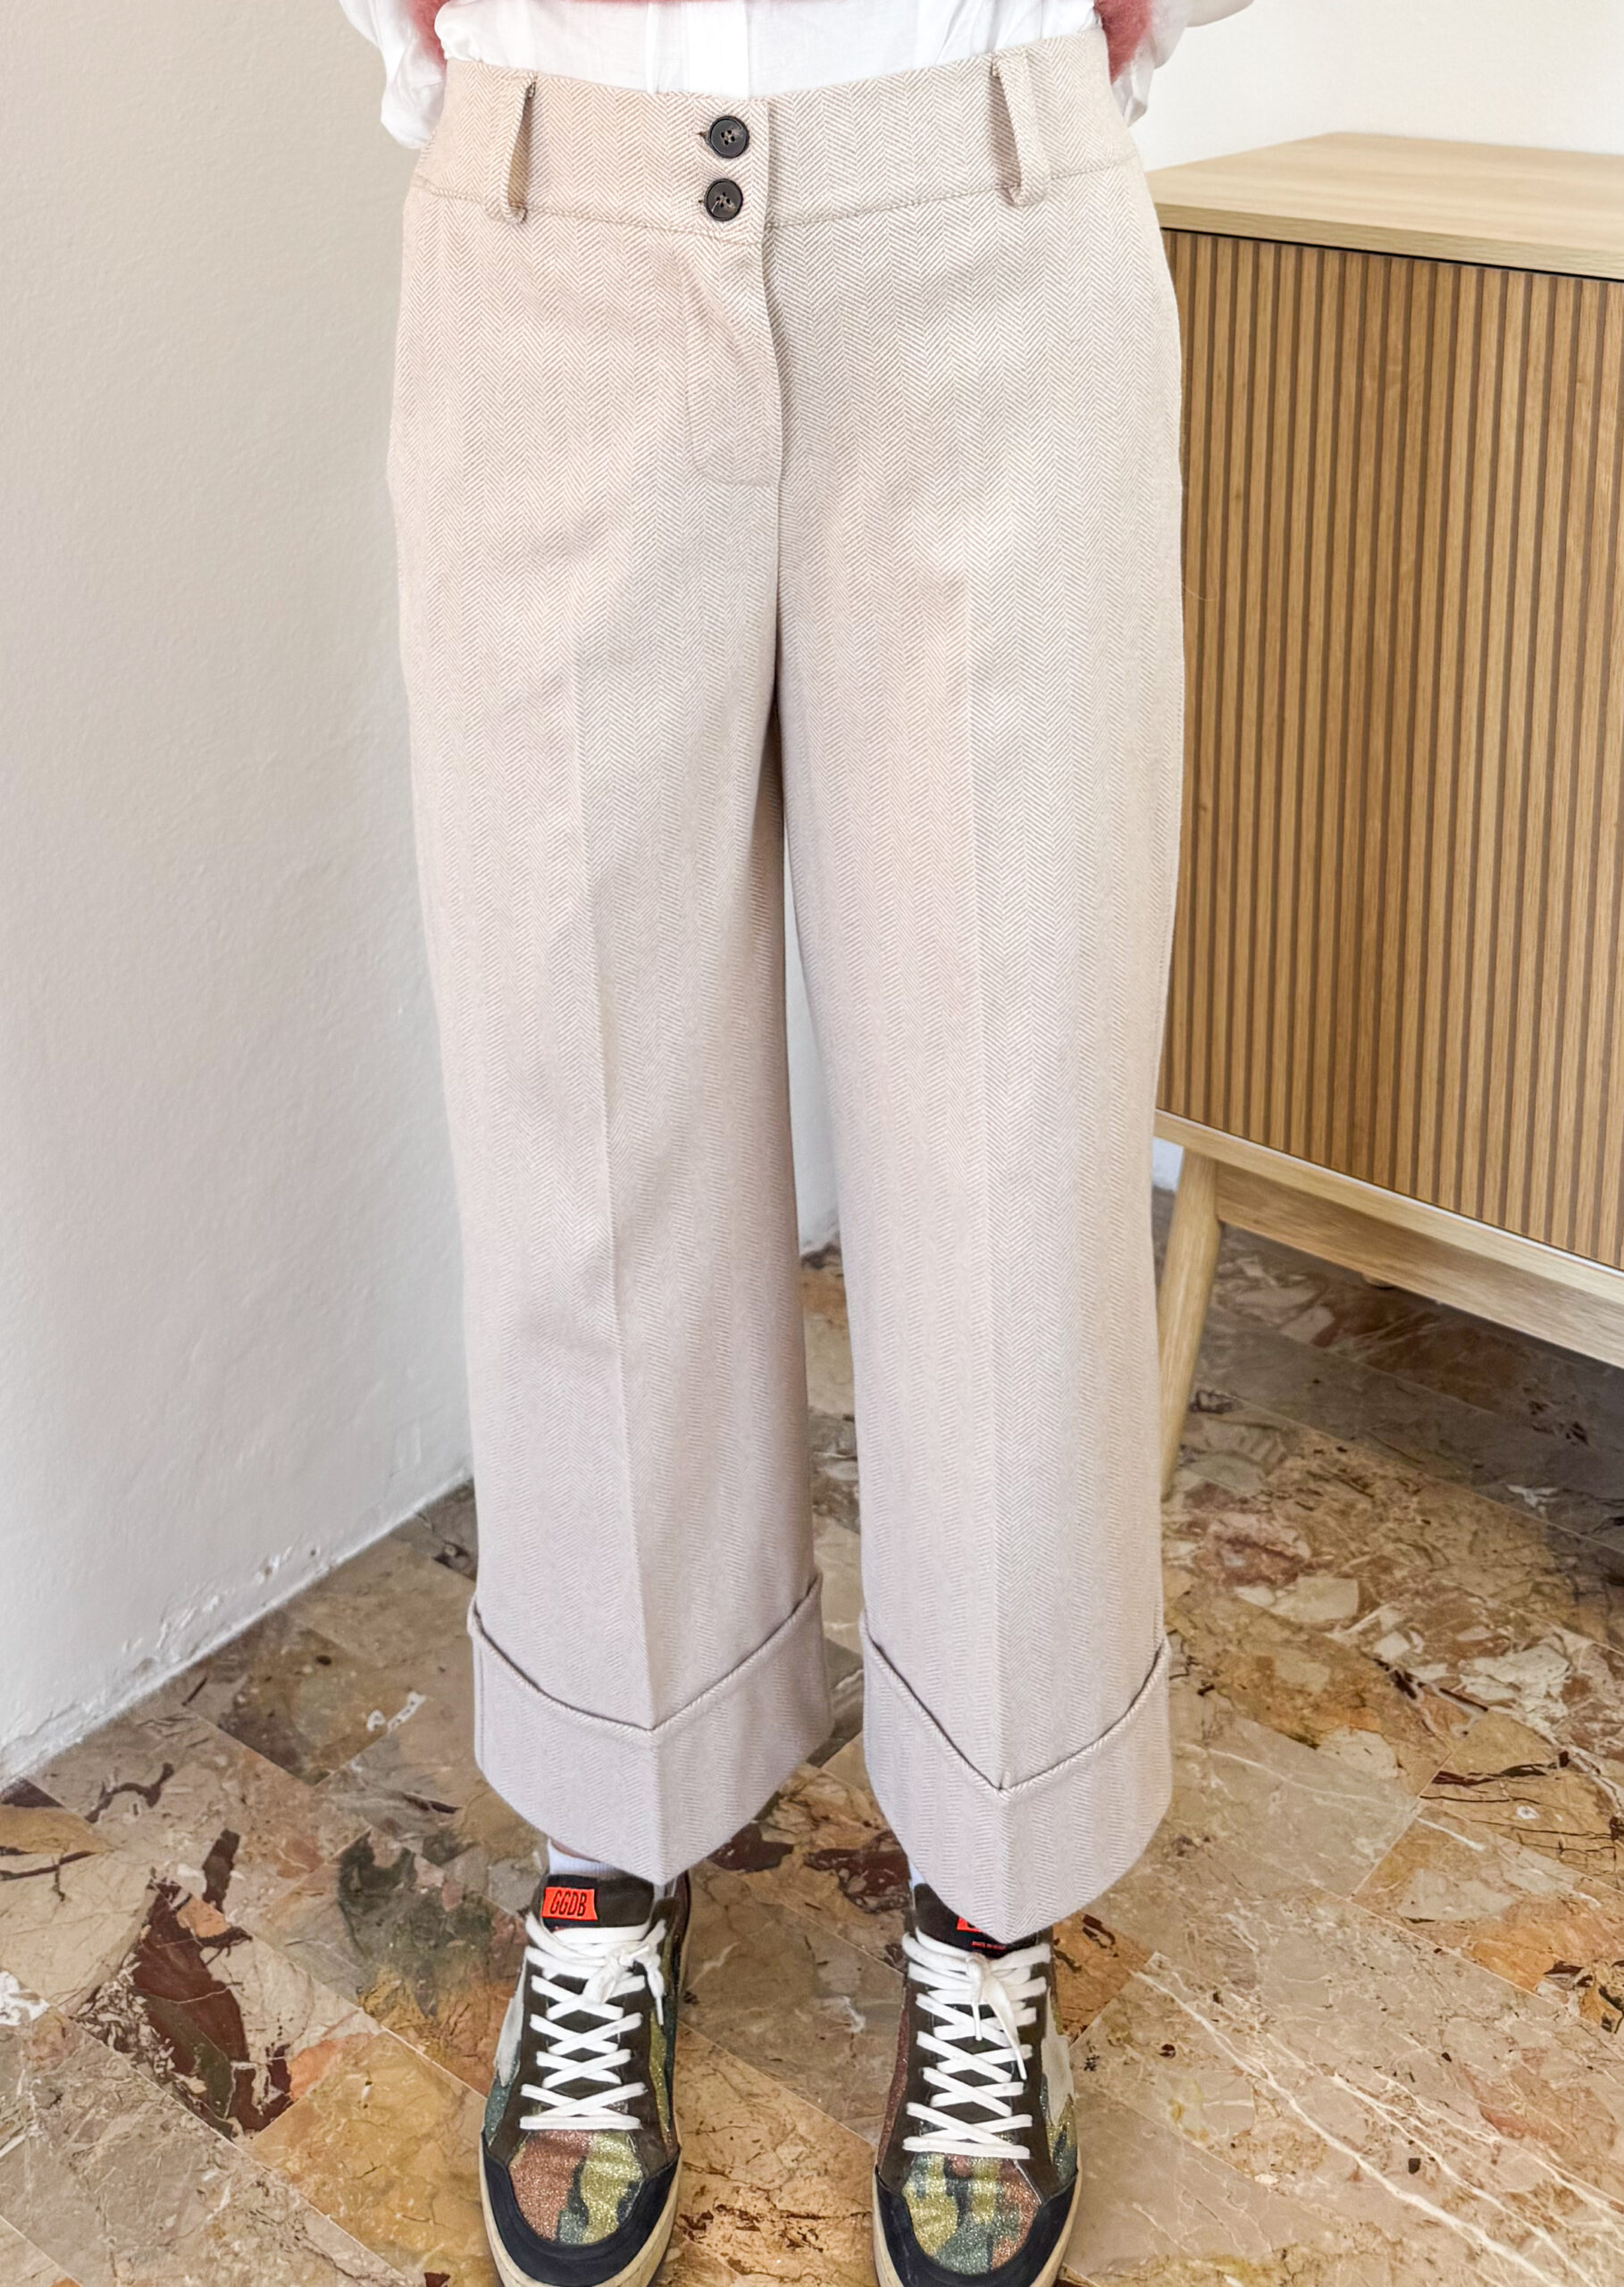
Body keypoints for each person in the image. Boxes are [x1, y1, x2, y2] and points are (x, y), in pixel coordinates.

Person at [341, 3, 1250, 2283]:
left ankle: (993, 1879)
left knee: (1013, 1139)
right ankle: (611, 1818)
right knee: (579, 1127)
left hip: (980, 216)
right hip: (552, 229)